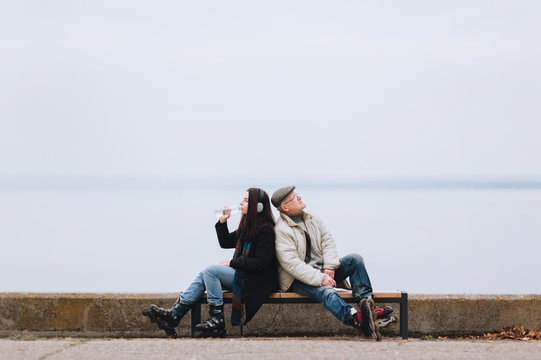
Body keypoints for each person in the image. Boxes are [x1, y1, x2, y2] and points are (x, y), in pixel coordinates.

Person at [143, 188, 278, 338]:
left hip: (256, 281)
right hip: (245, 275)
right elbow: (225, 242)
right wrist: (222, 222)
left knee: (211, 271)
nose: (240, 203)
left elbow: (263, 263)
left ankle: (217, 319)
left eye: (246, 200)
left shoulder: (265, 230)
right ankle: (175, 314)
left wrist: (233, 263)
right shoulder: (248, 227)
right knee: (205, 274)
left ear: (258, 206)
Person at [271, 185, 387, 340]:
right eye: (294, 197)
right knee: (327, 292)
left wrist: (329, 267)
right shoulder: (281, 230)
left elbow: (328, 241)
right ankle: (356, 319)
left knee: (355, 260)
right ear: (285, 207)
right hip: (298, 279)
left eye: (297, 194)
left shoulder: (312, 218)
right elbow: (292, 265)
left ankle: (366, 305)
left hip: (322, 271)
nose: (299, 197)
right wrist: (321, 278)